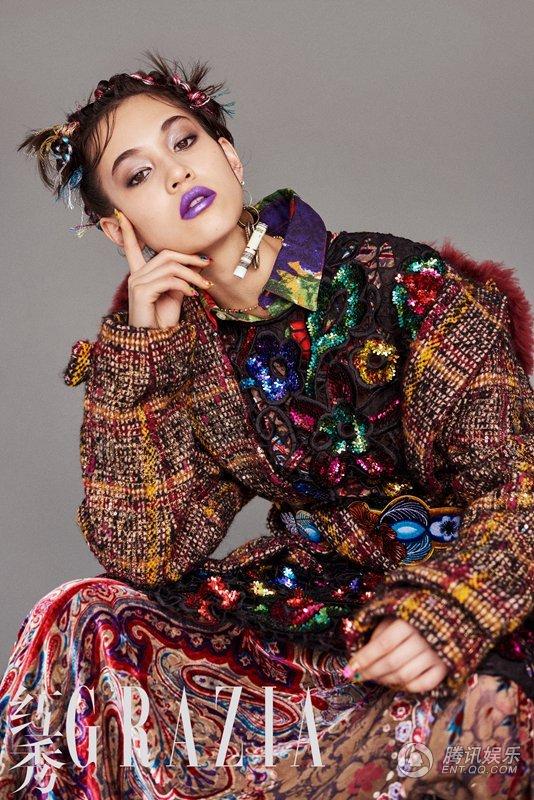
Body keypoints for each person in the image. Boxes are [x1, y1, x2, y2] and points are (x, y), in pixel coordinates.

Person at [1, 50, 532, 799]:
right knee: (84, 616)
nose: (176, 174)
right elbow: (146, 555)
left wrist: (449, 613)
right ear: (118, 226)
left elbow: (520, 486)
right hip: (311, 615)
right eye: (139, 174)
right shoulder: (186, 348)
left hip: (475, 591)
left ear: (230, 156)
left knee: (473, 731)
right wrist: (138, 354)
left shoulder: (400, 283)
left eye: (185, 143)